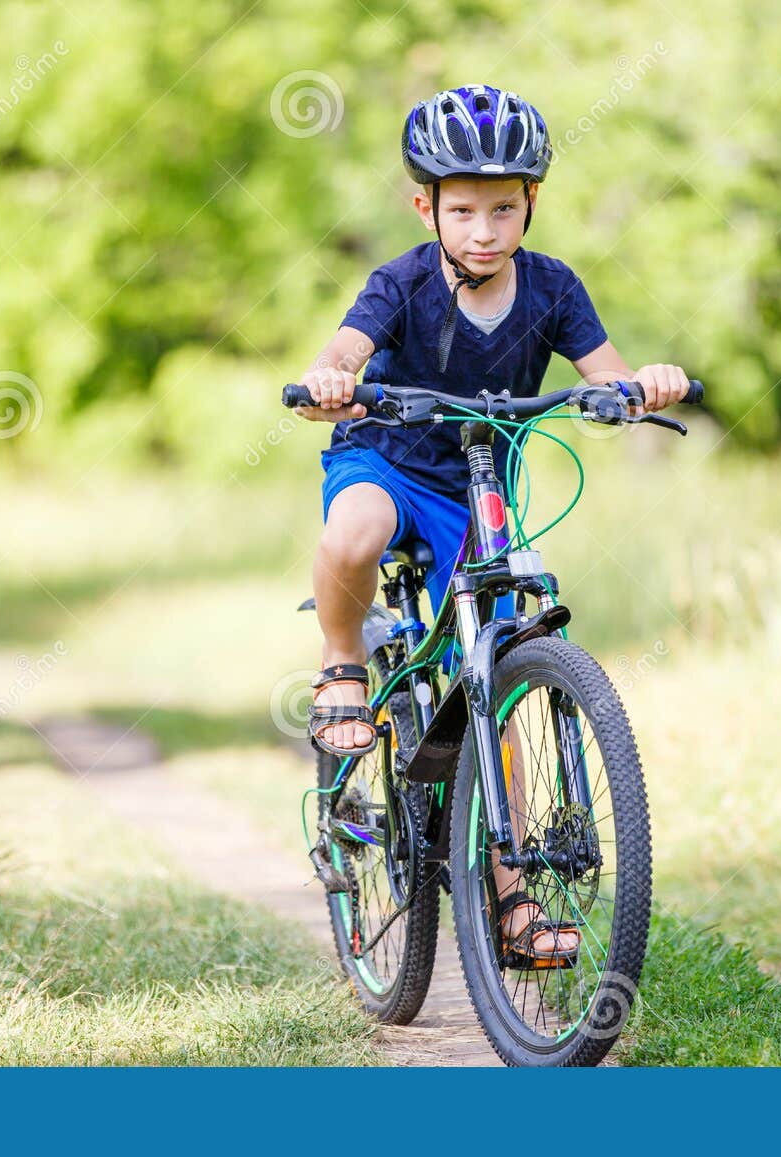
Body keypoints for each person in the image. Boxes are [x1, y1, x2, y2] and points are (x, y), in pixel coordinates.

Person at [295, 85, 689, 965]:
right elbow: (345, 351)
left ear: (530, 204)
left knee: (495, 679)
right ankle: (341, 663)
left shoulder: (552, 287)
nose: (483, 229)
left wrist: (641, 387)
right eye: (462, 209)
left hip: (479, 485)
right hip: (386, 459)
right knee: (354, 530)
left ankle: (508, 900)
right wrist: (330, 379)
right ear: (424, 204)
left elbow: (608, 378)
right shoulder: (399, 282)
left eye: (503, 208)